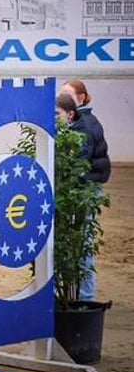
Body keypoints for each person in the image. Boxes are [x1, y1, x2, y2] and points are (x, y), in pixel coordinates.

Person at [58, 79, 111, 301]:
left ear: (80, 99)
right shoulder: (81, 121)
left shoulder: (84, 125)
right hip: (86, 186)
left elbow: (78, 162)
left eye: (68, 96)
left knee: (82, 243)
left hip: (85, 188)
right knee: (79, 242)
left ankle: (85, 296)